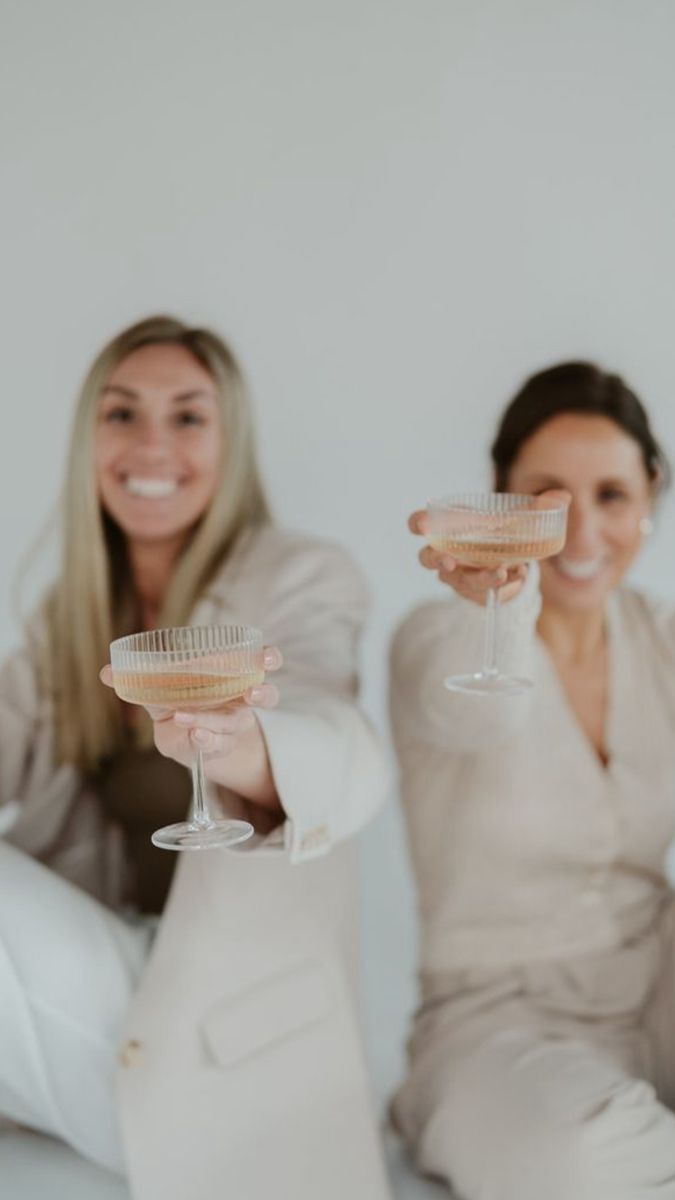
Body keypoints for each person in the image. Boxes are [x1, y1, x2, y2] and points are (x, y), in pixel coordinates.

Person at [0, 315, 391, 1200]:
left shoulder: (300, 578)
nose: (151, 445)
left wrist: (248, 746)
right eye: (121, 414)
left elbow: (336, 733)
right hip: (105, 994)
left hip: (221, 1037)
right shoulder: (71, 612)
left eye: (186, 417)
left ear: (231, 441)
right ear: (87, 440)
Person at [390, 361, 675, 1200]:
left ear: (649, 496)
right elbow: (482, 715)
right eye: (547, 496)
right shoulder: (433, 641)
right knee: (580, 1162)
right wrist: (497, 601)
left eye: (612, 496)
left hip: (657, 985)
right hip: (493, 1021)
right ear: (500, 495)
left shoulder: (660, 638)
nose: (580, 532)